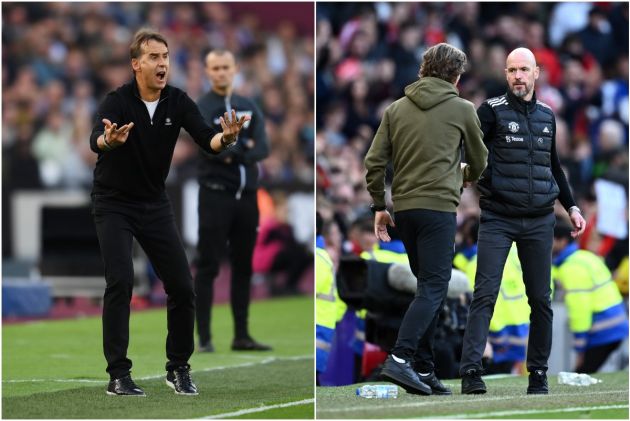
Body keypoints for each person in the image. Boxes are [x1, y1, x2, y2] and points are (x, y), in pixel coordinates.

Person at [89, 29, 248, 396]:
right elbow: (95, 137)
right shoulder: (117, 101)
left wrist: (226, 138)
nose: (162, 64)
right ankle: (118, 374)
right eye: (154, 57)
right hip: (113, 203)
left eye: (165, 56)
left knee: (181, 285)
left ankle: (178, 368)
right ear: (136, 64)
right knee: (121, 282)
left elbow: (206, 139)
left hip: (154, 203)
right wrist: (107, 141)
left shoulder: (177, 101)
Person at [458, 47, 587, 395]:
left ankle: (539, 374)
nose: (517, 76)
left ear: (536, 73)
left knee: (541, 300)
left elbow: (554, 166)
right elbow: (468, 152)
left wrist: (572, 207)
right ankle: (471, 370)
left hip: (540, 218)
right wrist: (464, 173)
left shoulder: (547, 115)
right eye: (512, 69)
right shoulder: (491, 111)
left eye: (524, 70)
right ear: (506, 73)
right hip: (498, 216)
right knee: (484, 293)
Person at [364, 42, 488, 396]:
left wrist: (378, 206)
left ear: (424, 69)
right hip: (438, 208)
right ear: (456, 75)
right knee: (435, 287)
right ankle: (401, 358)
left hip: (404, 209)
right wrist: (462, 173)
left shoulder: (395, 109)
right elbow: (480, 161)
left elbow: (374, 162)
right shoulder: (463, 108)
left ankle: (424, 367)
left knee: (427, 288)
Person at [194, 49, 270, 352]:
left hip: (246, 198)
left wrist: (232, 149)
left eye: (226, 67)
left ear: (236, 68)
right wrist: (240, 148)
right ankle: (204, 338)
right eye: (215, 68)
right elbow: (207, 148)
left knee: (243, 267)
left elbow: (262, 148)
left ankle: (241, 335)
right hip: (214, 194)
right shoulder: (201, 106)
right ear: (207, 71)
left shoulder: (248, 105)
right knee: (208, 265)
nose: (221, 73)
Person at [552, 220, 628, 373]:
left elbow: (580, 308)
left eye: (550, 239)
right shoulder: (585, 257)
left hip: (603, 331)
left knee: (580, 377)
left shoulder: (571, 267)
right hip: (614, 327)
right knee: (582, 375)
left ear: (562, 241)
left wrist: (580, 347)